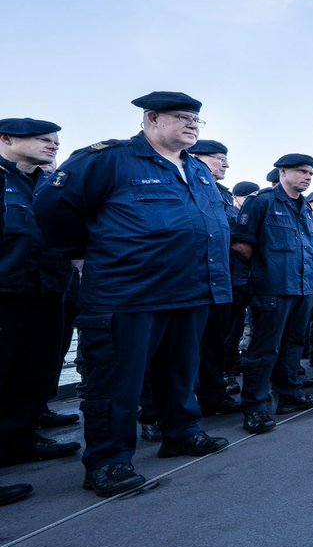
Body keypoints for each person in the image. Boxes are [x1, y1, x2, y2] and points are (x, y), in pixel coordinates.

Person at [35, 91, 231, 497]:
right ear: (152, 118)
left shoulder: (196, 170)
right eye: (183, 116)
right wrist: (81, 255)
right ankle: (108, 461)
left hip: (190, 290)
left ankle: (180, 432)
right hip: (128, 292)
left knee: (181, 373)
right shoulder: (108, 159)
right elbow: (52, 210)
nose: (193, 123)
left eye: (197, 119)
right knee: (115, 383)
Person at [0, 118, 78, 483]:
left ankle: (18, 442)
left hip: (48, 290)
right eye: (43, 139)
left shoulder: (50, 184)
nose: (53, 145)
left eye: (56, 140)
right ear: (7, 139)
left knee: (36, 371)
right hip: (6, 292)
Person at [231, 153, 313, 433]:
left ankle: (288, 395)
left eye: (310, 172)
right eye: (301, 171)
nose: (307, 176)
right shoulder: (262, 202)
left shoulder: (305, 209)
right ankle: (255, 407)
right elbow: (241, 245)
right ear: (282, 172)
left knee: (293, 345)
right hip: (272, 288)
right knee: (263, 349)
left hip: (301, 287)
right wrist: (266, 271)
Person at [188, 139, 242, 416]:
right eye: (219, 158)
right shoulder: (183, 184)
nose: (226, 164)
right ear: (195, 157)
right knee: (182, 347)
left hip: (221, 279)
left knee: (214, 342)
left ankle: (213, 395)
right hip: (190, 279)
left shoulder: (221, 193)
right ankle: (159, 410)